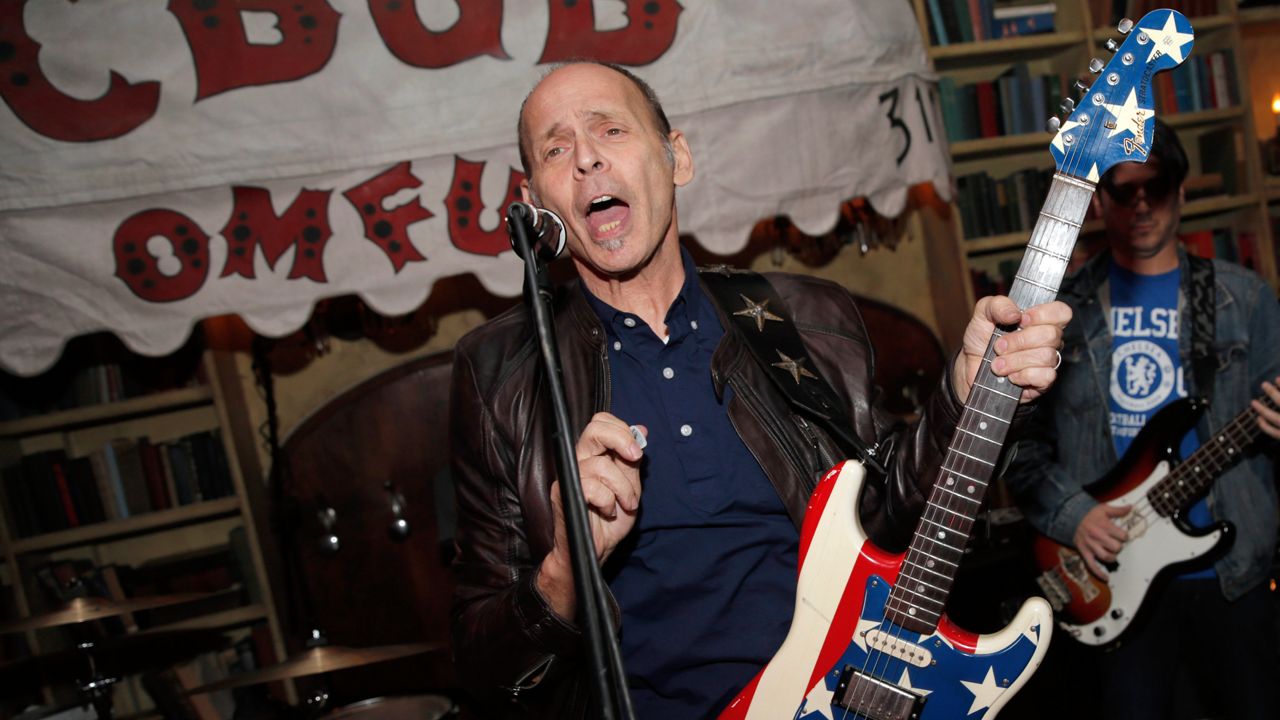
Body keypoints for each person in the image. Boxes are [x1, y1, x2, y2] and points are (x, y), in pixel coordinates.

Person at [448, 60, 1070, 719]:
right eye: (555, 148)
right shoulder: (500, 375)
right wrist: (564, 575)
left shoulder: (808, 318)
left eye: (610, 130)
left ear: (676, 157)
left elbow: (896, 516)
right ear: (535, 197)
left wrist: (965, 396)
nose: (586, 162)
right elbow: (486, 669)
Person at [1005, 118, 1280, 720]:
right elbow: (1016, 454)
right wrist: (1075, 516)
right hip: (1109, 580)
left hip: (1233, 574)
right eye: (1124, 193)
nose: (1141, 207)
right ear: (1099, 201)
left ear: (1181, 192)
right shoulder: (1058, 313)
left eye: (1156, 189)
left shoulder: (1247, 299)